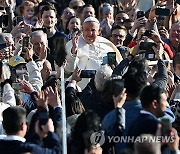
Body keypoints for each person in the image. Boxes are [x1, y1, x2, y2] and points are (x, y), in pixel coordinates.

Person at [65, 16, 122, 89]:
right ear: (82, 30)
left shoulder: (107, 46)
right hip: (82, 89)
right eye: (87, 30)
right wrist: (74, 51)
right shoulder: (73, 44)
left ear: (99, 31)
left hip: (105, 88)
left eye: (93, 30)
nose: (90, 33)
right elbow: (68, 69)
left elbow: (114, 67)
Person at [127, 84, 169, 149]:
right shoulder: (155, 126)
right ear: (154, 104)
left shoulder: (135, 123)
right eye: (165, 100)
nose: (167, 105)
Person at [40, 5, 67, 70]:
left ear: (56, 20)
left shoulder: (63, 38)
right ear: (41, 19)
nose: (49, 19)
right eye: (46, 17)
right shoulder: (36, 38)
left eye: (51, 17)